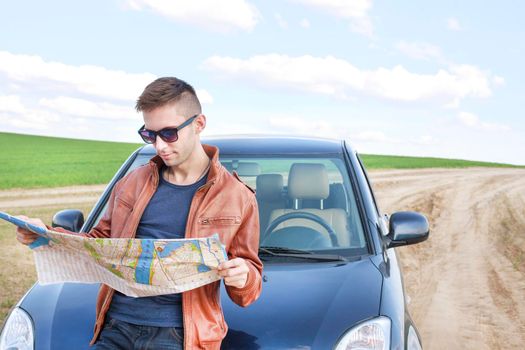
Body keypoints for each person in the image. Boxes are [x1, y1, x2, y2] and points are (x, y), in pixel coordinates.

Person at [15, 77, 263, 350]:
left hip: (181, 337)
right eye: (149, 135)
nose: (159, 146)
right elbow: (99, 241)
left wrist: (243, 276)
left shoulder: (238, 197)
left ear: (199, 124)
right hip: (116, 328)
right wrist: (46, 235)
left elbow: (248, 290)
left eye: (169, 133)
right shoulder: (132, 182)